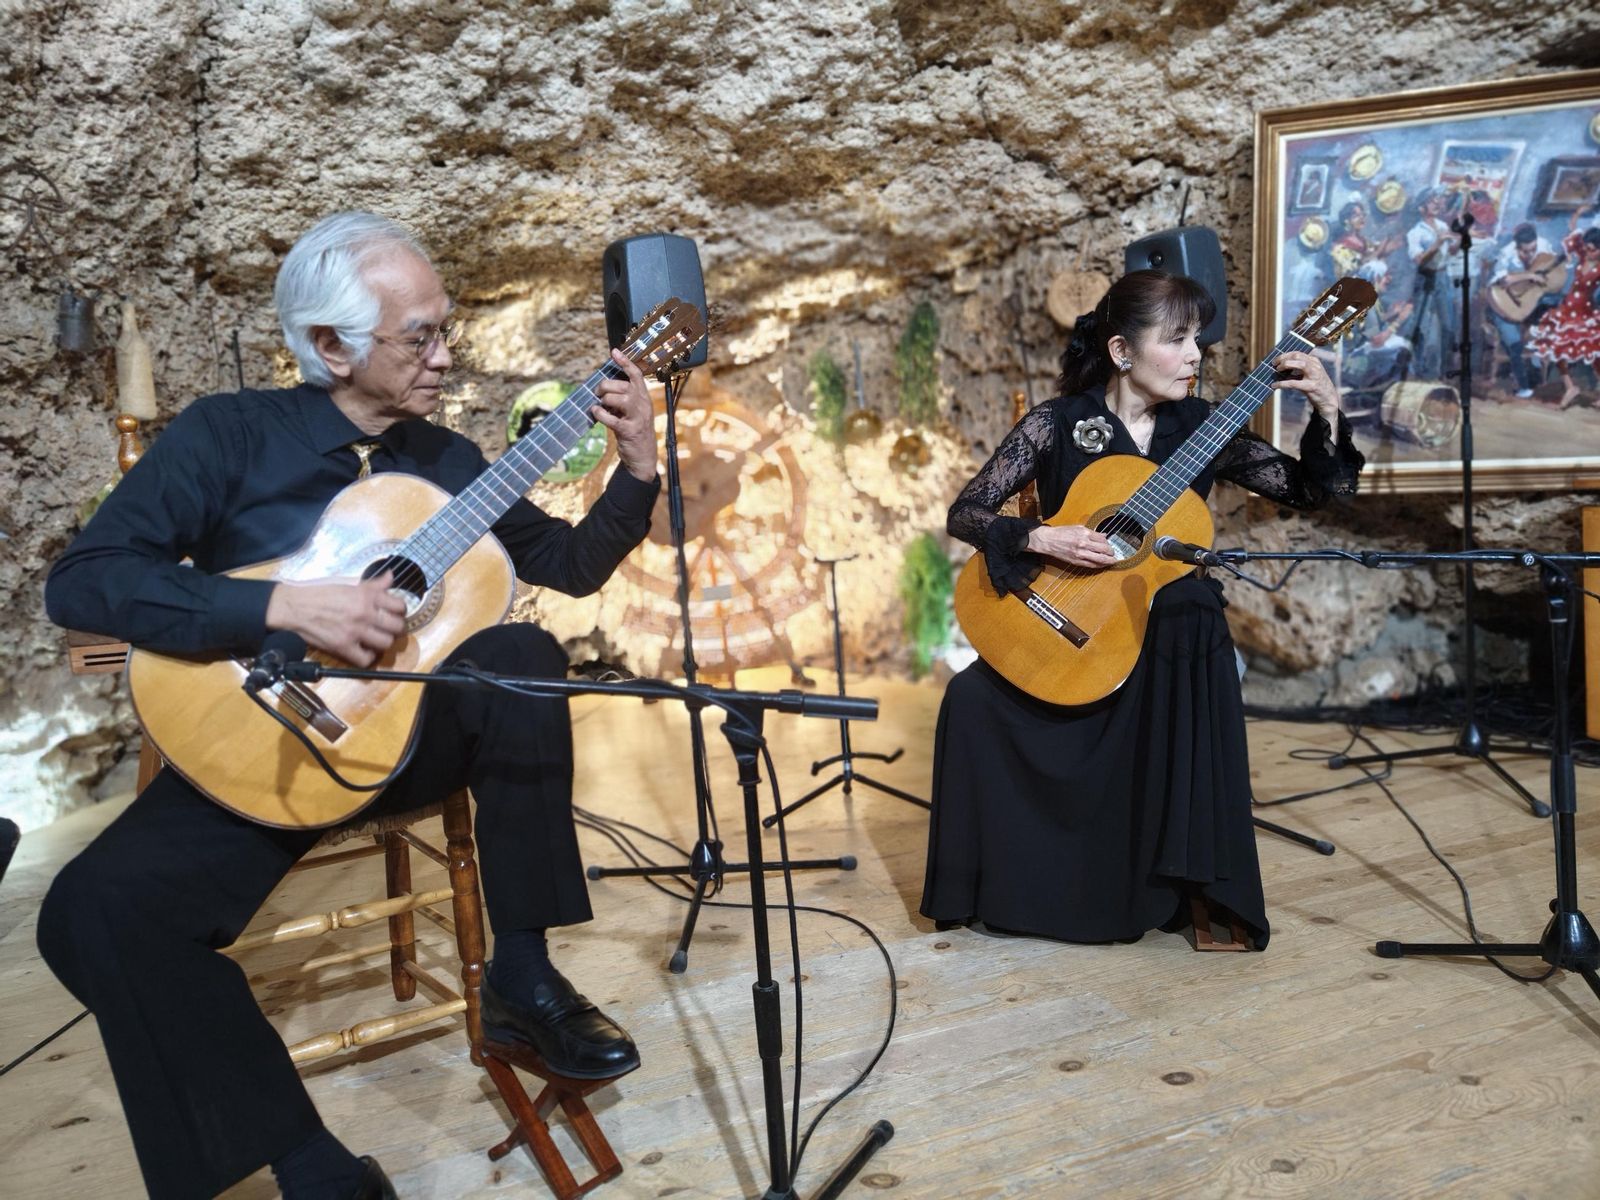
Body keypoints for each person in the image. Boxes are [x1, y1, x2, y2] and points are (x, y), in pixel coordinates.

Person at [37, 212, 662, 1200]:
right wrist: (278, 606)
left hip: (409, 740)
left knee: (523, 652)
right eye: (419, 337)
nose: (445, 356)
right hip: (264, 744)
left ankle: (523, 975)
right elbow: (86, 580)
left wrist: (637, 470)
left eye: (445, 330)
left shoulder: (450, 461)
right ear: (330, 346)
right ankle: (311, 1166)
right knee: (90, 912)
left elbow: (571, 564)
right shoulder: (227, 435)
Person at [920, 270, 1363, 950]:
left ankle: (1194, 884)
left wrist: (1328, 408)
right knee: (970, 699)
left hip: (1159, 646)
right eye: (1177, 340)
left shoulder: (1203, 426)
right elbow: (966, 513)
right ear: (1122, 351)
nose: (1194, 356)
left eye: (1198, 342)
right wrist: (1041, 537)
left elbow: (1313, 491)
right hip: (1071, 628)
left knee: (1192, 607)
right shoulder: (1056, 423)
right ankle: (999, 887)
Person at [1526, 212, 1600, 409]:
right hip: (1567, 308)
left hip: (1585, 311)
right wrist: (1579, 212)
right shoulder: (1583, 255)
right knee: (1557, 349)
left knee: (1593, 353)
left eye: (1592, 250)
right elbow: (1573, 231)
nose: (1588, 252)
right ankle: (1570, 387)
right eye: (1586, 248)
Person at [1486, 222, 1559, 398]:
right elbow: (1503, 280)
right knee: (1514, 342)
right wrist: (1529, 275)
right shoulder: (1506, 253)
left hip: (1529, 302)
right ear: (1517, 247)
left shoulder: (1544, 246)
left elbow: (1552, 268)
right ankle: (1522, 385)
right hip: (1503, 303)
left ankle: (1538, 357)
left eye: (1533, 250)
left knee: (1556, 307)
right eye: (1525, 252)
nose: (1530, 254)